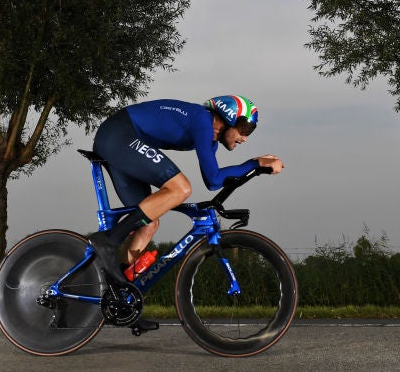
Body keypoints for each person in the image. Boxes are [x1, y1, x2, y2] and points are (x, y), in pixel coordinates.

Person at [87, 95, 284, 296]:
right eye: (245, 129)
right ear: (229, 117)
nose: (245, 138)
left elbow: (213, 181)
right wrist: (254, 163)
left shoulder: (210, 139)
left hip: (121, 139)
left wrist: (255, 167)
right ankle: (109, 240)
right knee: (181, 188)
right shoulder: (202, 120)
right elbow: (214, 178)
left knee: (148, 223)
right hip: (119, 134)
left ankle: (118, 295)